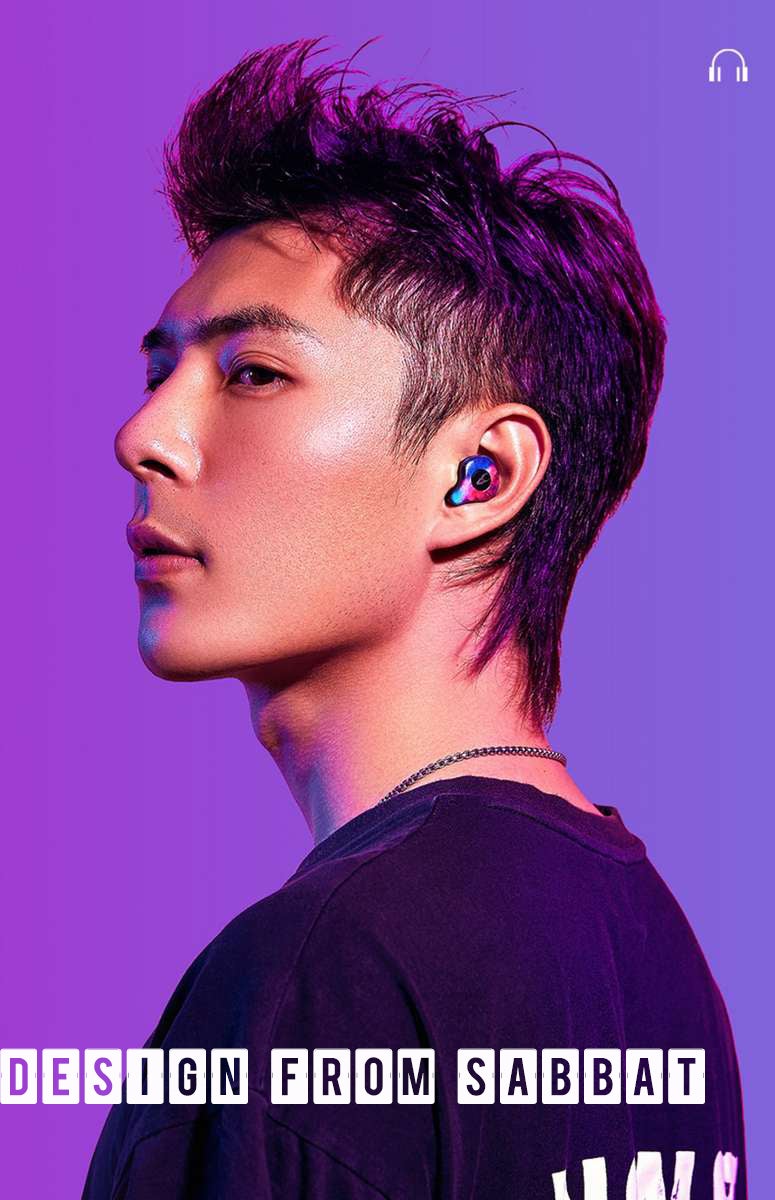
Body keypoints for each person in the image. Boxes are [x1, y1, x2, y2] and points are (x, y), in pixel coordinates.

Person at [82, 36, 747, 1199]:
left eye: (250, 373)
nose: (144, 437)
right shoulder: (652, 955)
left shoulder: (320, 973)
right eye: (158, 374)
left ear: (478, 477)